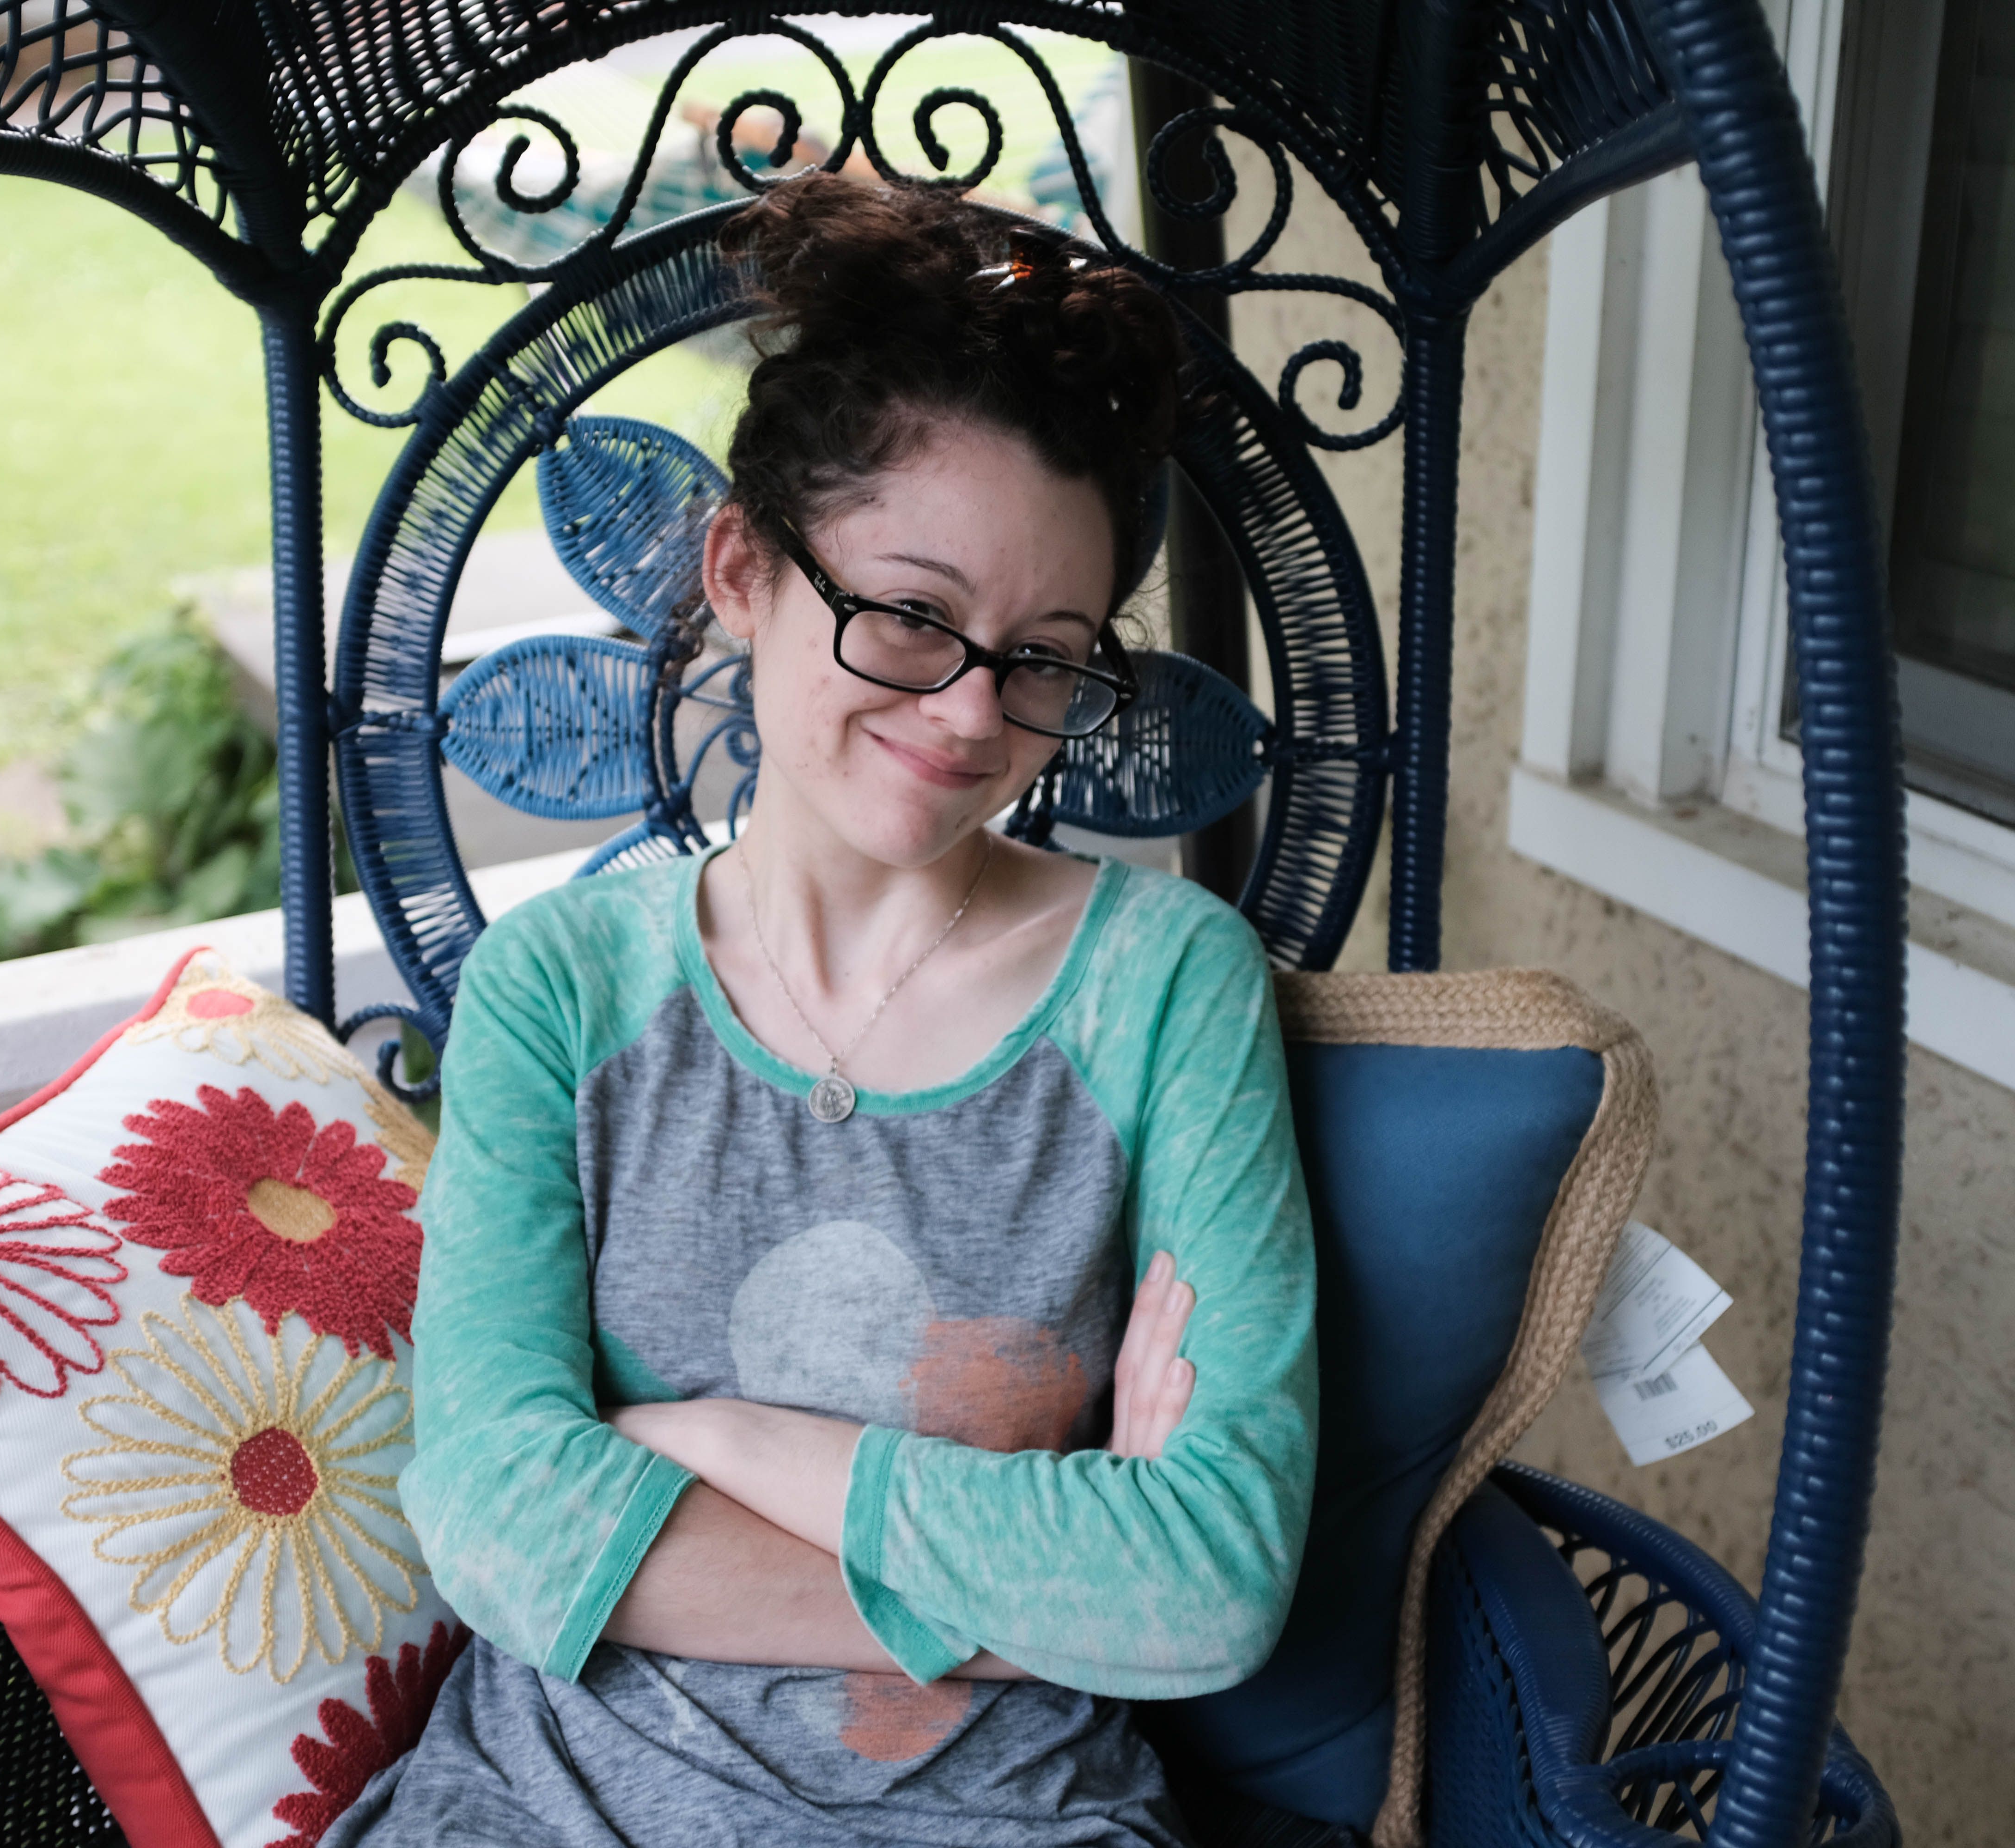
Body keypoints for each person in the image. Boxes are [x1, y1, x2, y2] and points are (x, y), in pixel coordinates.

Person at [331, 174, 1318, 1848]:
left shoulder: (1165, 985)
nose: (974, 715)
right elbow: (495, 1519)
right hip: (538, 1813)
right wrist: (1050, 1598)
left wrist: (713, 1439)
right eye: (914, 617)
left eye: (1046, 655)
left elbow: (1213, 1589)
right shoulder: (562, 989)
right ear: (741, 568)